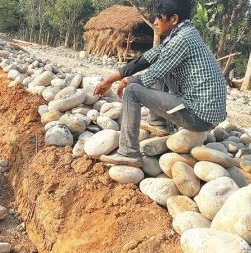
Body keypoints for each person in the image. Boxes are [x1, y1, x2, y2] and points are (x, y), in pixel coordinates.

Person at [93, 0, 226, 167]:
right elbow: (149, 57)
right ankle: (160, 125)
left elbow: (151, 76)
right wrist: (111, 79)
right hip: (204, 112)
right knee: (161, 69)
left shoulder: (181, 40)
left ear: (174, 19)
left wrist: (126, 81)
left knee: (133, 91)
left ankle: (128, 152)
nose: (154, 22)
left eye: (158, 17)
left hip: (199, 117)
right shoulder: (184, 33)